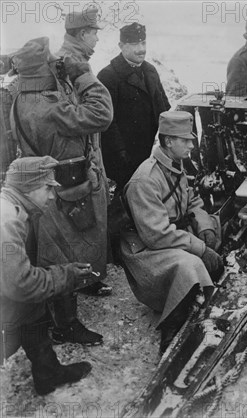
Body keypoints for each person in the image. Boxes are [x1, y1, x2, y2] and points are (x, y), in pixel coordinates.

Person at [10, 37, 113, 346]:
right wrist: (83, 74)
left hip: (46, 183)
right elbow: (101, 114)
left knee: (56, 251)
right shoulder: (48, 104)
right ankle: (66, 326)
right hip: (63, 186)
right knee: (63, 254)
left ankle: (63, 319)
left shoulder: (22, 97)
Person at [120, 111, 223, 354]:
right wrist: (200, 248)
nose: (191, 145)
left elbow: (192, 200)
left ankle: (198, 291)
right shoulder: (145, 180)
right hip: (146, 249)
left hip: (169, 234)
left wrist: (205, 226)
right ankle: (171, 332)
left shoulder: (174, 166)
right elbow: (156, 235)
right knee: (189, 264)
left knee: (217, 227)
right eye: (185, 140)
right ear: (168, 142)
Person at [1, 156, 95, 395]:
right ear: (29, 188)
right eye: (47, 188)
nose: (53, 196)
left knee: (33, 308)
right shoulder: (7, 220)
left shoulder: (18, 208)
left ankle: (48, 373)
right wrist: (67, 275)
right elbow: (21, 284)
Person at [57, 7, 112, 297]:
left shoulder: (71, 58)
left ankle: (88, 276)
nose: (97, 39)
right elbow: (90, 112)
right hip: (83, 152)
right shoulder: (73, 61)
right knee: (87, 218)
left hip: (87, 149)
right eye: (93, 33)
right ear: (81, 34)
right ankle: (87, 279)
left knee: (88, 217)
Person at [98, 23, 171, 191]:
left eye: (143, 43)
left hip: (151, 154)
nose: (141, 49)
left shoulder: (150, 71)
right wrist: (121, 154)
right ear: (121, 46)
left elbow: (164, 108)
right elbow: (108, 122)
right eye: (134, 45)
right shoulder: (108, 76)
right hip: (123, 159)